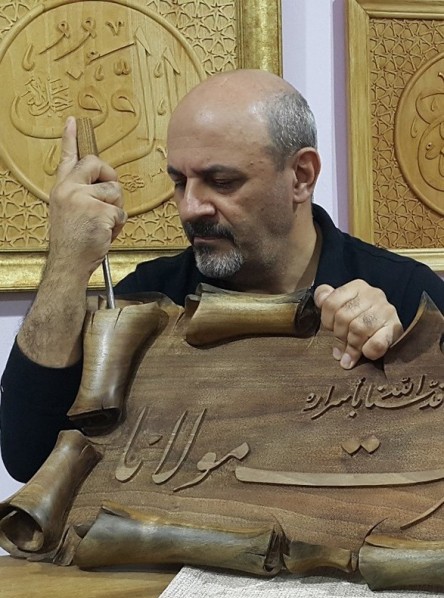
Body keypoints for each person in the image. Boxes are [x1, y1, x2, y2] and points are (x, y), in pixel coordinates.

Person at [1, 69, 443, 483]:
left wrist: (405, 362)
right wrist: (66, 264)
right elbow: (29, 459)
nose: (190, 207)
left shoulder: (405, 294)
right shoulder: (149, 299)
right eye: (180, 181)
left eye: (222, 181)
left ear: (301, 176)